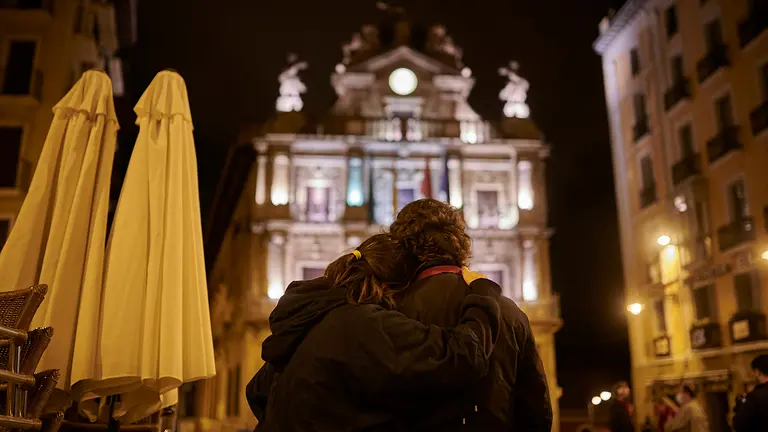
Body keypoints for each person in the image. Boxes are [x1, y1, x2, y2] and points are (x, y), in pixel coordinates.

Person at [245, 234, 503, 431]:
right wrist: (483, 293)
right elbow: (461, 356)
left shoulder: (310, 316)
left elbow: (257, 391)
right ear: (396, 288)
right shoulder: (368, 325)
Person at [388, 198, 552, 430]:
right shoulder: (510, 313)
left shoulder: (387, 311)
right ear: (460, 246)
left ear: (402, 250)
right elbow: (536, 409)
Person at [733, 354, 768, 431]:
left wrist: (741, 404)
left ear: (758, 372)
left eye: (754, 372)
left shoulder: (754, 397)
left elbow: (739, 425)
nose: (753, 375)